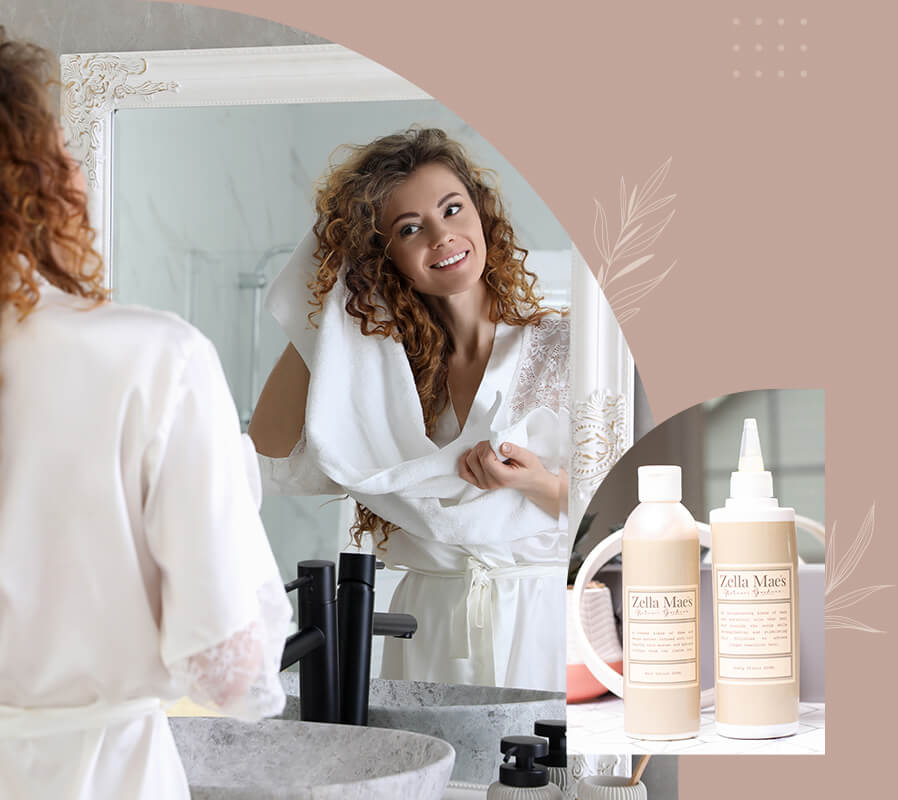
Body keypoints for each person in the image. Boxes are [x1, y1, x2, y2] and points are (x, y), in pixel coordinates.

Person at [0, 29, 291, 799]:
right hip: (102, 776)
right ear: (36, 176)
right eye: (61, 151)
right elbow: (231, 674)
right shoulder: (155, 359)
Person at [250, 128, 568, 691]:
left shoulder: (565, 347)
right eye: (410, 228)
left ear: (482, 213)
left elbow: (628, 504)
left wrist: (538, 483)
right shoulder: (391, 384)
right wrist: (328, 308)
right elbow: (269, 447)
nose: (443, 236)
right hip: (431, 624)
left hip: (542, 616)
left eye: (453, 209)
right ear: (384, 257)